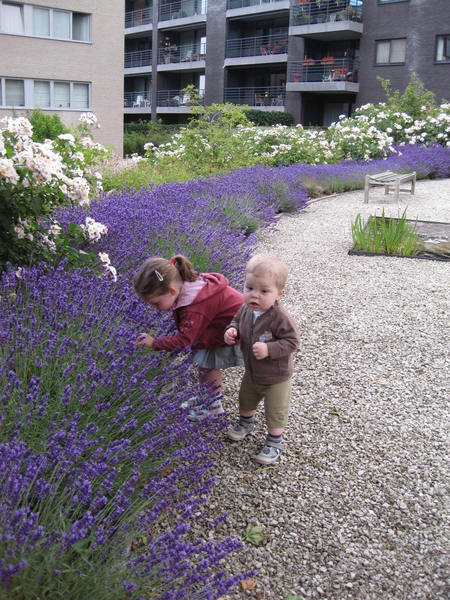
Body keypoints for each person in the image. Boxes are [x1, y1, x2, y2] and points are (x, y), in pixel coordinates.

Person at [133, 255, 244, 421]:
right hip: (218, 325)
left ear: (171, 291)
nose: (154, 308)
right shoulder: (187, 286)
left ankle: (213, 406)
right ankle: (207, 396)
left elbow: (183, 342)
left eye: (155, 303)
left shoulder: (194, 307)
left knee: (209, 364)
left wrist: (154, 342)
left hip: (230, 330)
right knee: (204, 364)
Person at [224, 254, 300, 465]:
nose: (254, 296)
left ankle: (274, 441)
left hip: (276, 377)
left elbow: (293, 341)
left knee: (275, 411)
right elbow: (236, 322)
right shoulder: (246, 309)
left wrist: (270, 348)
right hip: (252, 372)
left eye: (264, 291)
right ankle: (246, 423)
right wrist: (231, 331)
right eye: (249, 288)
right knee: (245, 400)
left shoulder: (279, 317)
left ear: (279, 294)